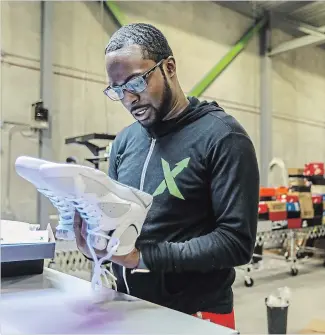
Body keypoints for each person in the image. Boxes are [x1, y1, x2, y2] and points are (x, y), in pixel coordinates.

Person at [74, 23, 260, 330]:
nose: (129, 99)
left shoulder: (223, 137)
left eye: (135, 83)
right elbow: (119, 224)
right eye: (117, 90)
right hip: (131, 307)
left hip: (198, 315)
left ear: (169, 67)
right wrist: (97, 247)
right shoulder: (124, 142)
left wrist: (143, 258)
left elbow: (236, 242)